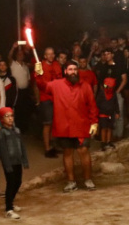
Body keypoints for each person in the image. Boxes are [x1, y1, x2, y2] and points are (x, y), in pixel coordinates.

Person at [35, 60, 98, 192]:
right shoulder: (56, 85)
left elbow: (92, 105)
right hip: (64, 126)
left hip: (81, 125)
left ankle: (88, 179)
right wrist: (38, 74)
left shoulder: (85, 86)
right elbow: (42, 86)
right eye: (70, 69)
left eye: (75, 69)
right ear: (65, 72)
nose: (73, 72)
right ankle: (71, 181)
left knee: (84, 152)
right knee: (67, 153)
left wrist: (94, 122)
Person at [0, 107, 29, 218]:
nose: (10, 119)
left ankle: (11, 202)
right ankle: (8, 209)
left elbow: (22, 146)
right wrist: (7, 165)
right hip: (9, 163)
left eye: (11, 116)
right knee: (10, 184)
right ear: (1, 119)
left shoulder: (17, 130)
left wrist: (24, 160)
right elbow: (3, 151)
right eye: (7, 116)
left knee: (18, 182)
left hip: (17, 161)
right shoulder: (2, 133)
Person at [33, 46, 64, 158]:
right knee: (47, 124)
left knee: (54, 123)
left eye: (52, 53)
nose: (50, 56)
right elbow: (40, 84)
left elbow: (60, 79)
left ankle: (52, 145)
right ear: (45, 56)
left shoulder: (56, 64)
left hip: (56, 97)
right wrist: (39, 74)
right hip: (46, 98)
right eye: (48, 54)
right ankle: (47, 149)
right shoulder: (39, 66)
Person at [95, 77, 119, 151]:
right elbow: (97, 104)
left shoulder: (114, 94)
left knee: (109, 128)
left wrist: (117, 112)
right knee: (104, 129)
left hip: (111, 114)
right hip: (102, 114)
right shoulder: (101, 94)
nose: (107, 88)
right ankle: (103, 142)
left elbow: (116, 104)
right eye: (106, 86)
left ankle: (108, 141)